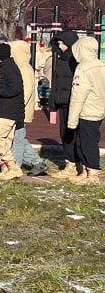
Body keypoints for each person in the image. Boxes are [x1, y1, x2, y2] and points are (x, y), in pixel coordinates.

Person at [67, 35, 105, 186]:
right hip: (99, 109)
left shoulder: (82, 68)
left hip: (87, 110)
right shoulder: (101, 65)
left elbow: (78, 96)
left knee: (86, 143)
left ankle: (92, 173)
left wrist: (71, 120)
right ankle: (85, 171)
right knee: (90, 140)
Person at [0, 41, 25, 180]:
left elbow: (14, 89)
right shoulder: (5, 67)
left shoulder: (10, 69)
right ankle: (5, 168)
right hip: (6, 108)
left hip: (9, 110)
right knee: (6, 139)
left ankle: (12, 165)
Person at [9, 39, 47, 176]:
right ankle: (37, 162)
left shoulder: (23, 69)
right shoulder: (23, 67)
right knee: (18, 137)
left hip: (20, 110)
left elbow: (24, 92)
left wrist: (16, 109)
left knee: (17, 139)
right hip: (20, 109)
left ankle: (15, 167)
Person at [49, 30, 82, 180]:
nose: (60, 46)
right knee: (65, 133)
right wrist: (53, 102)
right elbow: (56, 82)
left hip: (73, 101)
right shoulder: (60, 59)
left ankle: (75, 163)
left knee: (73, 134)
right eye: (59, 43)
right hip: (62, 100)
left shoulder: (76, 60)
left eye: (62, 43)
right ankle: (69, 163)